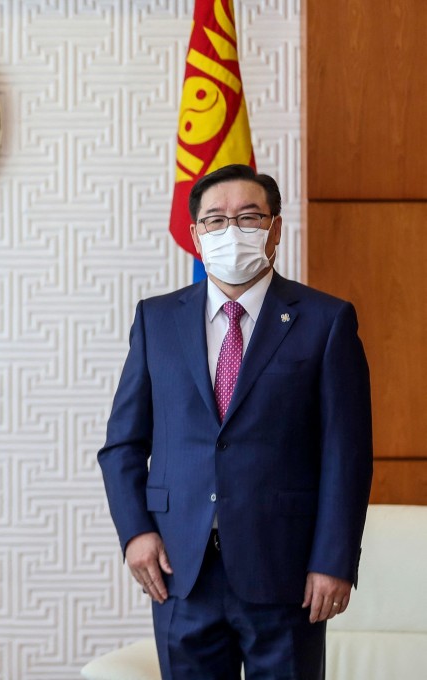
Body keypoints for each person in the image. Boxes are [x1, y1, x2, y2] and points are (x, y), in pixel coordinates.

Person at [98, 164, 373, 679]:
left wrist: (335, 560)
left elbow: (347, 454)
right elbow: (122, 446)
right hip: (182, 571)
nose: (232, 231)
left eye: (249, 218)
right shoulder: (156, 320)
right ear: (196, 234)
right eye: (216, 220)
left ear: (274, 230)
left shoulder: (326, 320)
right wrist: (136, 533)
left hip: (287, 573)